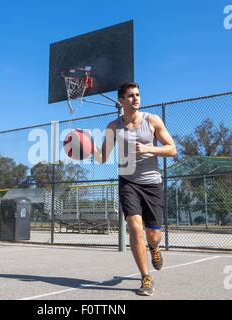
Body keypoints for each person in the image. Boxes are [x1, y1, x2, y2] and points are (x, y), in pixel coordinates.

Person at [92, 82, 177, 296]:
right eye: (130, 96)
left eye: (138, 94)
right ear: (121, 101)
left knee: (153, 236)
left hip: (151, 183)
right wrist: (86, 147)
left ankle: (155, 248)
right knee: (134, 226)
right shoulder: (113, 127)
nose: (136, 98)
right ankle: (146, 277)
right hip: (128, 182)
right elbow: (102, 158)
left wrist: (149, 148)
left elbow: (172, 149)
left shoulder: (152, 120)